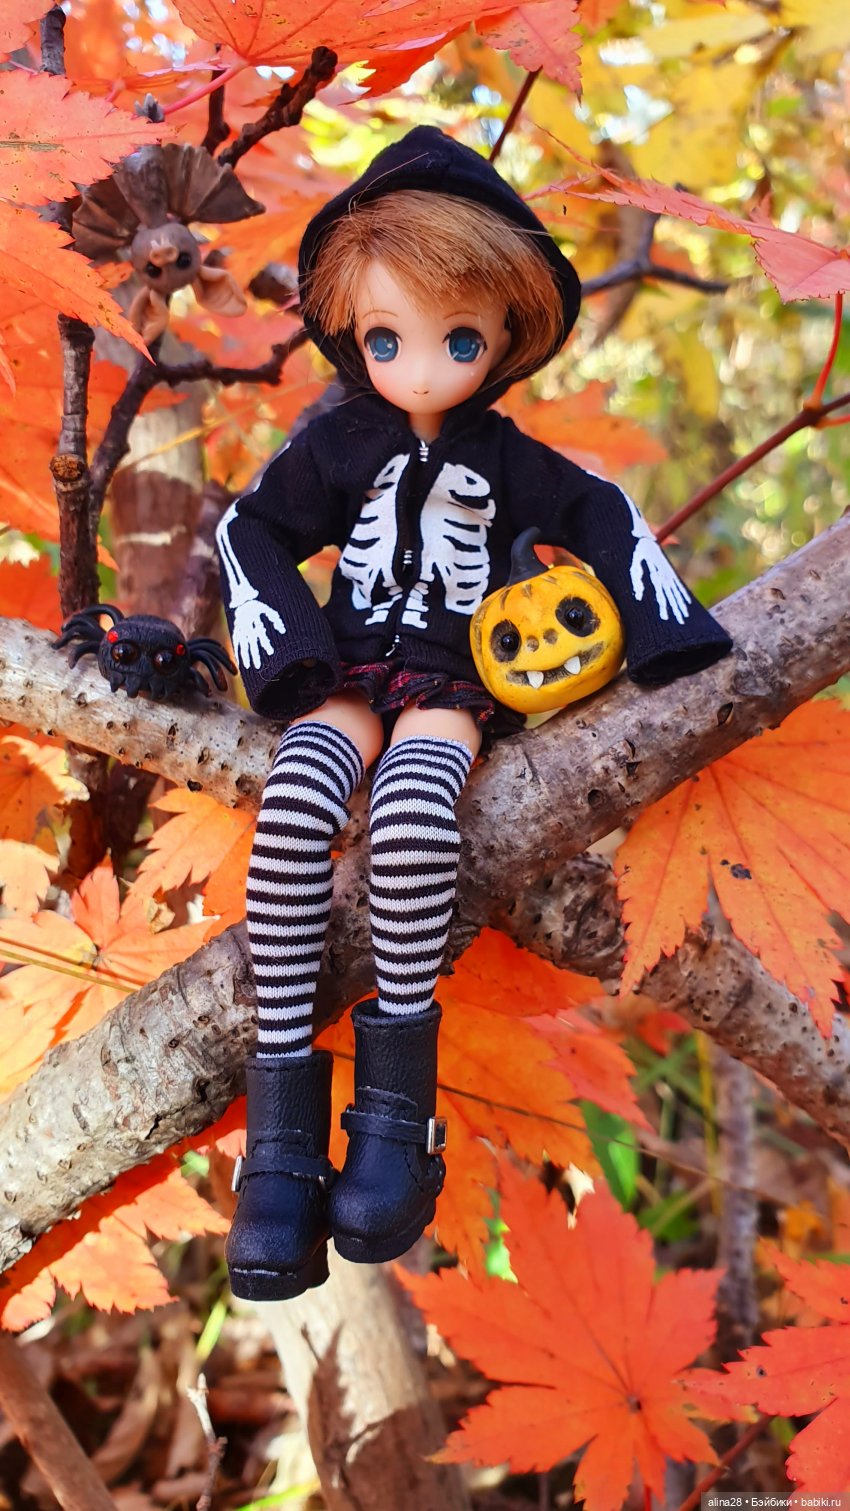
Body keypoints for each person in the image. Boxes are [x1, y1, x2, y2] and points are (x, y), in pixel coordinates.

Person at [217, 125, 732, 1301]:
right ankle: (280, 1136)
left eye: (458, 339)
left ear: (507, 335)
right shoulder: (335, 447)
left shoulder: (512, 460)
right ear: (349, 330)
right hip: (344, 668)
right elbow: (251, 528)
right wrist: (286, 648)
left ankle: (396, 1123)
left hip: (453, 680)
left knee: (412, 820)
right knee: (292, 810)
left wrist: (666, 633)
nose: (420, 367)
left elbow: (604, 512)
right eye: (385, 338)